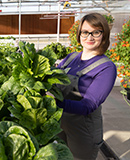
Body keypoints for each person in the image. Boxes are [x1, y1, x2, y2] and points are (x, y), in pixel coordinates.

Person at [56, 12, 117, 160]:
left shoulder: (106, 67)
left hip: (83, 129)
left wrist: (54, 102)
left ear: (104, 35)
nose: (89, 37)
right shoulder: (70, 58)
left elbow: (88, 105)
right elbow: (51, 78)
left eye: (96, 32)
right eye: (85, 32)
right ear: (79, 34)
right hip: (60, 123)